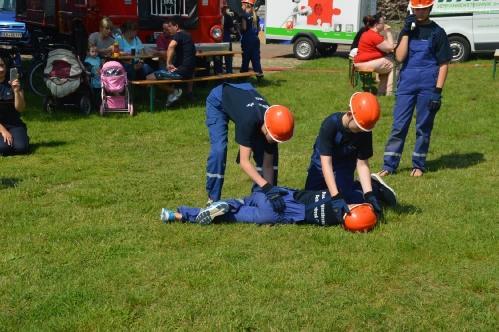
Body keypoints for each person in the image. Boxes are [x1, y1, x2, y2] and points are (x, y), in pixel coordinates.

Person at [378, 0, 452, 178]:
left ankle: (418, 165)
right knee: (399, 125)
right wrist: (405, 30)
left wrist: (437, 91)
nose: (420, 12)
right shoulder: (408, 30)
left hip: (428, 85)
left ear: (430, 8)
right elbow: (400, 57)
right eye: (417, 9)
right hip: (407, 84)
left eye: (423, 9)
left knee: (423, 126)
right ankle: (389, 165)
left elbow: (443, 64)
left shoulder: (438, 32)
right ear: (412, 9)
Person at [304, 92, 397, 224]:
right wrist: (335, 197)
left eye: (365, 129)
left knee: (346, 200)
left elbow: (362, 164)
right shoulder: (329, 125)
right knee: (311, 200)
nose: (362, 132)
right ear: (349, 114)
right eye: (360, 128)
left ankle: (374, 188)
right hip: (322, 163)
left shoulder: (365, 131)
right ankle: (360, 185)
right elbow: (326, 164)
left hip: (344, 164)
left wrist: (369, 196)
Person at [205, 83, 294, 212]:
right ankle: (212, 200)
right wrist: (267, 188)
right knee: (219, 150)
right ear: (267, 129)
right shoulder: (248, 121)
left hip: (245, 97)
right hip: (219, 99)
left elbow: (268, 165)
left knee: (268, 155)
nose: (276, 142)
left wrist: (270, 190)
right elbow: (244, 161)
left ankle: (258, 199)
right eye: (275, 139)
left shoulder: (273, 121)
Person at [160, 188, 370, 226]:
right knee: (232, 218)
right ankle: (176, 216)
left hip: (277, 198)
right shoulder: (332, 221)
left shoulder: (336, 194)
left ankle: (227, 203)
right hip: (276, 217)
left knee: (245, 201)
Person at [145, 16, 196, 107]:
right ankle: (171, 96)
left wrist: (168, 64)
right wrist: (159, 53)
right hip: (189, 72)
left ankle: (175, 92)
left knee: (149, 78)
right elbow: (174, 51)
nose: (168, 28)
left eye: (170, 26)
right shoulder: (187, 35)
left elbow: (171, 46)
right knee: (160, 77)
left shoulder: (178, 35)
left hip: (180, 71)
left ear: (176, 26)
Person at [353, 14, 396, 96]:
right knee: (395, 64)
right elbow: (390, 47)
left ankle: (381, 92)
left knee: (388, 65)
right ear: (376, 25)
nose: (384, 24)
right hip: (363, 63)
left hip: (360, 62)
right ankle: (390, 93)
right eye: (383, 23)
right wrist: (388, 32)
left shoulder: (368, 32)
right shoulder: (374, 35)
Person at [0, 58, 29, 156]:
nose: (1, 69)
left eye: (2, 65)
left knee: (21, 148)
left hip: (14, 123)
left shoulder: (14, 81)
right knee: (3, 149)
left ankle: (21, 137)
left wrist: (16, 91)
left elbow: (20, 108)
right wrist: (3, 131)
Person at [238, 0, 264, 83]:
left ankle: (243, 75)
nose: (241, 7)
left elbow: (244, 28)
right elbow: (259, 29)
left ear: (246, 5)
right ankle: (259, 74)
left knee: (246, 57)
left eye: (242, 5)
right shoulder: (255, 15)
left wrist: (239, 29)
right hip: (256, 39)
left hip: (247, 39)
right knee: (255, 57)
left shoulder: (244, 16)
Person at [215, 1, 235, 75]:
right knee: (228, 55)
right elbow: (232, 30)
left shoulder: (216, 16)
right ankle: (229, 71)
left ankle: (219, 71)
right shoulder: (227, 17)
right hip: (226, 36)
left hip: (217, 36)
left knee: (218, 55)